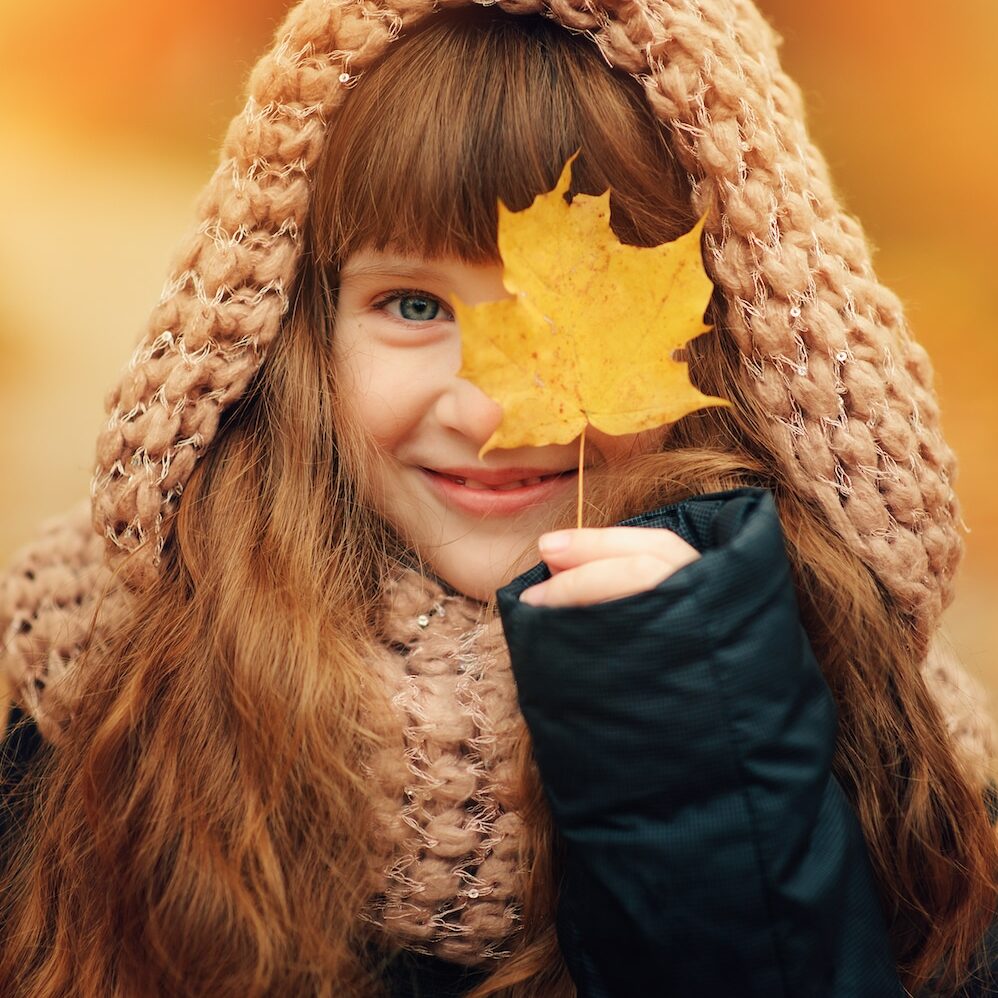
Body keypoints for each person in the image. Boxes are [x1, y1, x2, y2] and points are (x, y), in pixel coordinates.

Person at [0, 2, 995, 995]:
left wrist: (700, 760)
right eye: (414, 305)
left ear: (727, 341)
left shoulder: (879, 746)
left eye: (565, 309)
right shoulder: (106, 685)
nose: (487, 410)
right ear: (298, 334)